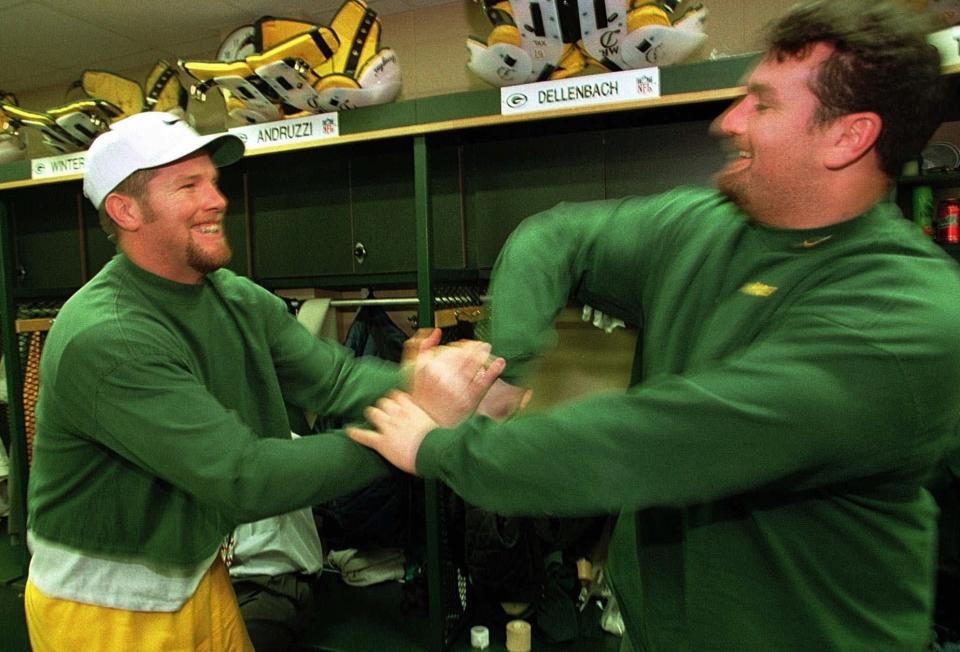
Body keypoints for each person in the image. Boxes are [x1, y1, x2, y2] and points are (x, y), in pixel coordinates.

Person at [348, 1, 960, 650]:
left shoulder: (906, 318)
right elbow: (553, 236)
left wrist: (439, 448)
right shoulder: (703, 227)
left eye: (764, 104)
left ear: (849, 136)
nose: (728, 122)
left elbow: (655, 440)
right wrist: (503, 370)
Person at [22, 110, 503, 651]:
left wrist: (440, 386)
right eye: (189, 185)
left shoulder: (230, 296)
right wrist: (416, 429)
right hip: (105, 610)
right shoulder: (109, 337)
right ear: (125, 210)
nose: (218, 199)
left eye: (213, 181)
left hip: (198, 574)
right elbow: (244, 477)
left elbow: (336, 379)